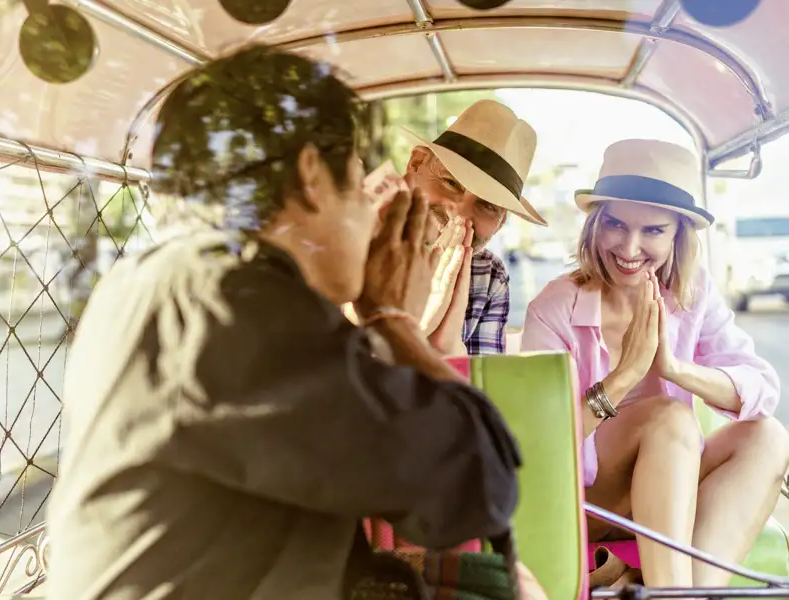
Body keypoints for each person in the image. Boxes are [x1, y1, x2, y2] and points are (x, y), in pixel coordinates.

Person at [45, 44, 525, 600]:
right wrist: (394, 319)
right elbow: (476, 485)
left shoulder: (166, 281)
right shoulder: (226, 303)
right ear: (312, 175)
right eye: (356, 181)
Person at [520, 139, 789, 588]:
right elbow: (539, 445)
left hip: (667, 489)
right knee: (670, 418)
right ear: (595, 224)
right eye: (616, 224)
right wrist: (624, 378)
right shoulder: (554, 306)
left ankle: (681, 594)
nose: (629, 247)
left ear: (678, 234)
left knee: (767, 436)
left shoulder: (693, 292)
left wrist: (673, 369)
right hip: (581, 501)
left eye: (653, 231)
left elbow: (762, 388)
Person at [401, 99, 547, 356]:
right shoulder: (353, 237)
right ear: (415, 165)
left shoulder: (488, 276)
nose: (458, 212)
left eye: (487, 205)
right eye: (449, 182)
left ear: (501, 222)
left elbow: (483, 392)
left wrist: (447, 347)